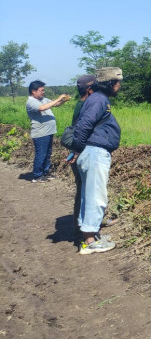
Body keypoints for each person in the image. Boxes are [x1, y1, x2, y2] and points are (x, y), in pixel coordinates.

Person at [71, 67, 123, 255]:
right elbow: (83, 126)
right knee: (96, 197)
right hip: (94, 153)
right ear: (110, 83)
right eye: (117, 82)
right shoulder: (99, 99)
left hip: (93, 152)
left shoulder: (97, 99)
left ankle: (91, 235)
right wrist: (77, 149)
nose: (119, 86)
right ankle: (89, 242)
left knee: (89, 195)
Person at [66, 74, 96, 245]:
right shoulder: (85, 106)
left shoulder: (84, 104)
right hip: (82, 152)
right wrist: (76, 152)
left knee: (88, 190)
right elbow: (80, 132)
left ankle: (91, 222)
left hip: (82, 151)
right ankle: (81, 228)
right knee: (84, 190)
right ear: (89, 89)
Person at [26, 80, 71, 182]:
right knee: (41, 154)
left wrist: (63, 100)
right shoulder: (31, 102)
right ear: (33, 91)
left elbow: (54, 104)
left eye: (43, 90)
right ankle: (37, 175)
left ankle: (45, 173)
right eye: (41, 90)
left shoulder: (43, 99)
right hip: (40, 133)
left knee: (47, 154)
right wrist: (58, 99)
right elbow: (42, 108)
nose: (43, 92)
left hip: (48, 132)